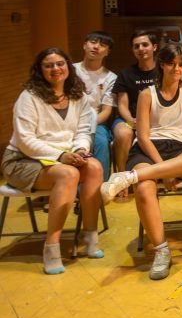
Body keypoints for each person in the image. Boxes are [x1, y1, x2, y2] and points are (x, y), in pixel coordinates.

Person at [100, 43, 182, 280]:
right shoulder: (146, 94)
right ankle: (161, 251)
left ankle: (127, 178)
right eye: (171, 64)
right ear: (161, 65)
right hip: (148, 149)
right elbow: (142, 136)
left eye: (181, 64)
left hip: (179, 149)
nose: (177, 69)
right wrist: (163, 171)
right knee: (144, 188)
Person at [3, 48, 104, 274]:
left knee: (95, 167)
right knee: (68, 175)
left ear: (68, 66)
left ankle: (90, 235)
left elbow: (84, 130)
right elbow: (24, 139)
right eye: (48, 66)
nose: (55, 69)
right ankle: (52, 246)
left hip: (64, 157)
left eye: (60, 64)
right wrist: (60, 156)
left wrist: (80, 149)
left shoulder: (79, 96)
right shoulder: (29, 97)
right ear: (40, 71)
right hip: (23, 160)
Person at [112, 30, 159, 195]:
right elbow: (122, 104)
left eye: (145, 44)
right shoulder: (126, 74)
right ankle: (122, 180)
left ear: (154, 47)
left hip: (155, 120)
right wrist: (132, 120)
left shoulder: (163, 71)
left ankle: (159, 175)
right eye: (136, 46)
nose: (141, 48)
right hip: (129, 119)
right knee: (124, 134)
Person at [73, 31, 116, 180]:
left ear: (107, 52)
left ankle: (99, 189)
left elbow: (106, 110)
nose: (96, 47)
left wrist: (87, 124)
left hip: (95, 122)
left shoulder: (111, 78)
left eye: (102, 45)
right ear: (85, 45)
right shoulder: (70, 71)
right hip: (68, 121)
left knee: (101, 142)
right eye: (92, 42)